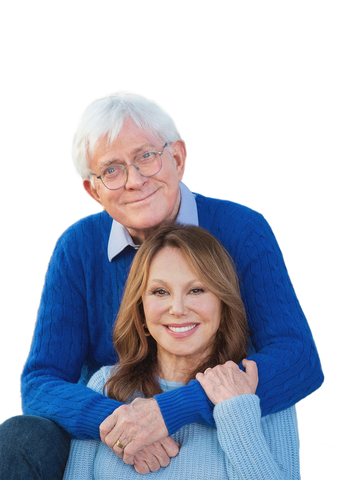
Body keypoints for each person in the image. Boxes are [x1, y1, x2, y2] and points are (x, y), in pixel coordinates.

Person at [0, 93, 323, 479]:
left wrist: (169, 412)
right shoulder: (79, 248)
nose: (135, 180)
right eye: (112, 170)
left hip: (223, 429)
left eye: (146, 156)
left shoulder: (241, 230)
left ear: (178, 158)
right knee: (20, 438)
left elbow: (298, 359)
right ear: (93, 190)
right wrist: (123, 423)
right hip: (115, 434)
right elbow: (41, 382)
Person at [63, 224, 300, 479]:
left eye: (196, 290)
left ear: (223, 303)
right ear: (140, 308)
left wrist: (236, 411)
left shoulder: (260, 388)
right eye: (160, 292)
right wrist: (123, 441)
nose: (177, 308)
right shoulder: (106, 386)